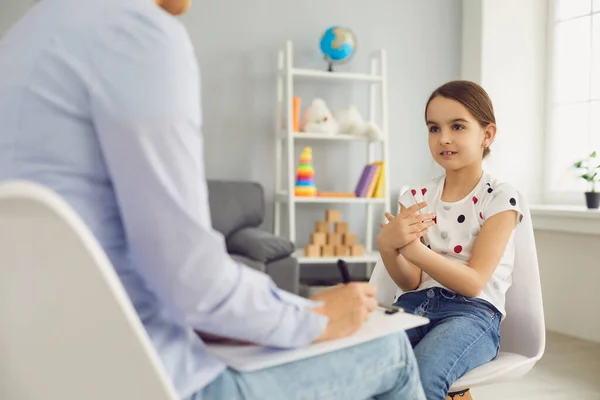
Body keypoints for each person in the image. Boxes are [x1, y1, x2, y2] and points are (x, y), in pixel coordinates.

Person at [0, 0, 426, 399]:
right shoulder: (137, 33)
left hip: (55, 378)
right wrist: (313, 315)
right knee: (392, 350)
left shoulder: (25, 39)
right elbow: (190, 280)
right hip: (159, 380)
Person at [376, 80, 523, 400]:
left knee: (423, 377)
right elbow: (411, 280)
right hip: (414, 305)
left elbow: (472, 283)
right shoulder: (415, 196)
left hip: (473, 314)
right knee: (366, 368)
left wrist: (412, 248)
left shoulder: (500, 197)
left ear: (487, 134)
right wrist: (389, 249)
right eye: (433, 128)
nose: (443, 138)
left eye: (457, 126)